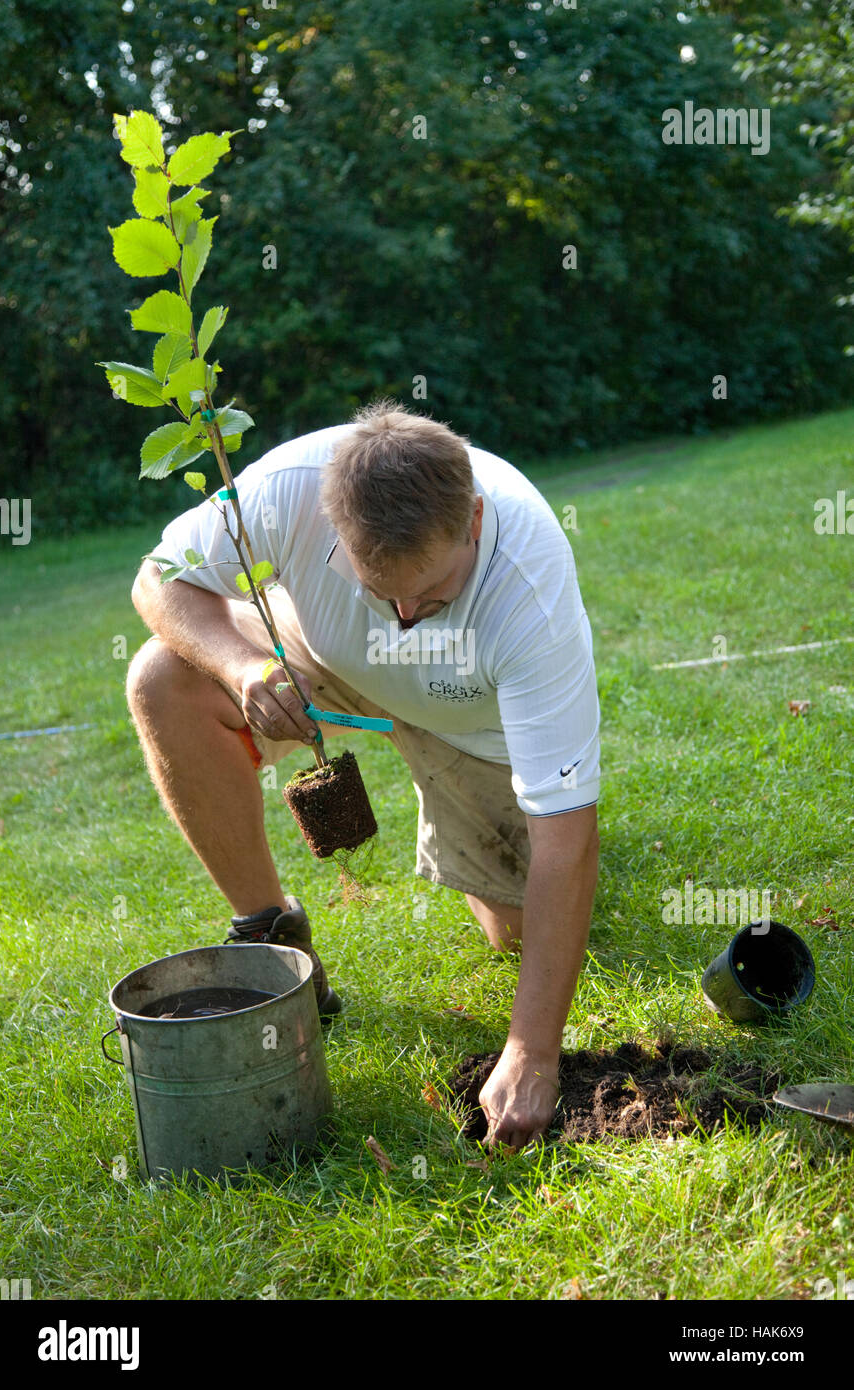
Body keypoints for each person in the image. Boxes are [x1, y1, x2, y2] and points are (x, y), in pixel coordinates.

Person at [126, 400, 600, 1151]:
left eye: (432, 593)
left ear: (473, 519)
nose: (408, 614)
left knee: (511, 934)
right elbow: (158, 578)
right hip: (321, 660)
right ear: (332, 525)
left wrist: (533, 1054)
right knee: (160, 678)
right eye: (382, 591)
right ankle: (270, 930)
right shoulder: (288, 487)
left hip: (468, 716)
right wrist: (241, 663)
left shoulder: (529, 594)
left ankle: (468, 826)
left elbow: (567, 836)